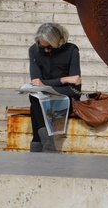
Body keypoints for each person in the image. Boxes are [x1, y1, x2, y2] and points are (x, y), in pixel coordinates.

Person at [27, 22, 81, 152]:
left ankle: (37, 142)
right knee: (34, 97)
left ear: (58, 42)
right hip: (44, 93)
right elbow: (36, 82)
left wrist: (46, 84)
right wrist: (63, 79)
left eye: (50, 47)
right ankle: (48, 143)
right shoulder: (34, 50)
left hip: (65, 94)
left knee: (36, 102)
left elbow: (75, 87)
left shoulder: (71, 51)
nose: (46, 50)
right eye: (42, 46)